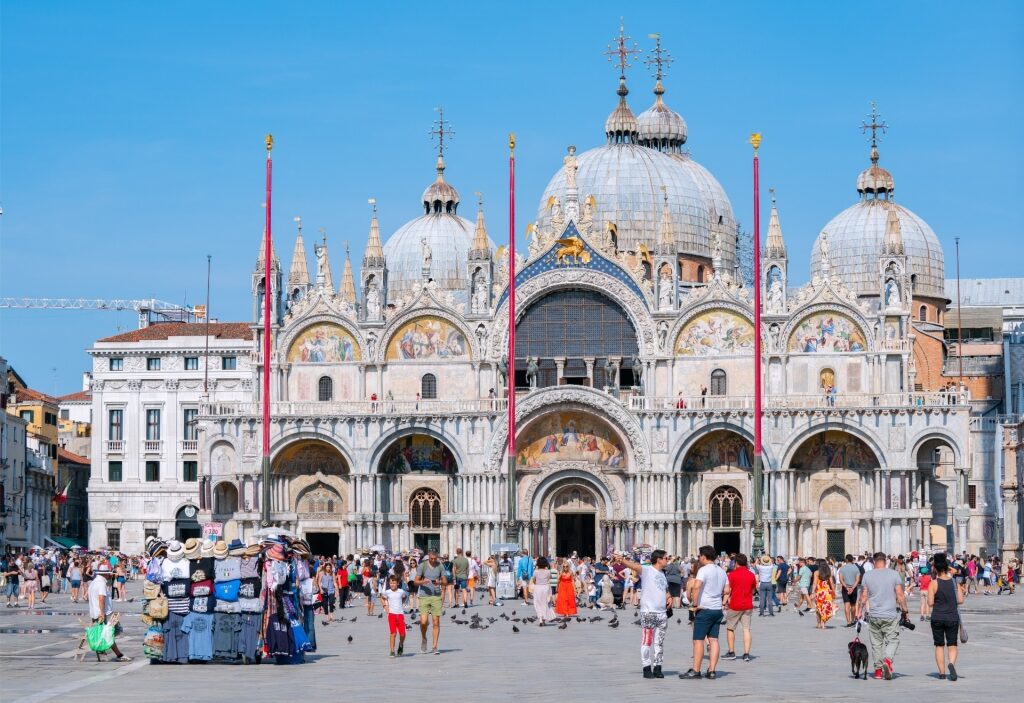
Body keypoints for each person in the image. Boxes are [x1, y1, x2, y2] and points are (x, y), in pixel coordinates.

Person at [615, 550, 671, 679]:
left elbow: (664, 588)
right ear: (658, 559)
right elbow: (634, 566)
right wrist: (622, 560)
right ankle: (646, 667)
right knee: (647, 641)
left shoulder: (662, 573)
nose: (667, 560)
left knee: (659, 642)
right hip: (649, 611)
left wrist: (669, 597)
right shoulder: (647, 570)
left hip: (662, 613)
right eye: (665, 558)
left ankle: (658, 667)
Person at [856, 551, 907, 680]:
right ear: (886, 561)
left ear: (873, 562)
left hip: (874, 614)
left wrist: (859, 611)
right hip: (890, 614)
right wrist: (905, 610)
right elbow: (900, 595)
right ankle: (888, 661)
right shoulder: (894, 574)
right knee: (893, 639)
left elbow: (863, 596)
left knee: (876, 643)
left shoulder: (867, 575)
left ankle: (878, 671)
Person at [681, 545, 730, 680]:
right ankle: (712, 670)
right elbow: (727, 590)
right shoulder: (721, 571)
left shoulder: (703, 570)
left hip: (705, 609)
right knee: (714, 640)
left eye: (699, 556)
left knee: (698, 641)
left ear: (703, 556)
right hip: (717, 609)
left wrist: (695, 604)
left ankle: (696, 670)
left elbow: (696, 587)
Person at [927, 553, 964, 680]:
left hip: (937, 617)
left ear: (935, 568)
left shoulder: (933, 583)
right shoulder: (954, 583)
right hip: (952, 617)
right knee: (952, 644)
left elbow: (930, 603)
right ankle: (951, 664)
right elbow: (960, 600)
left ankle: (942, 673)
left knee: (939, 645)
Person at [88, 564, 131, 661]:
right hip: (104, 613)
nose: (109, 575)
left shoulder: (94, 582)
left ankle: (106, 647)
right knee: (114, 630)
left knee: (107, 632)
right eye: (108, 574)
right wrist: (102, 613)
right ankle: (118, 654)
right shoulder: (101, 583)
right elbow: (101, 598)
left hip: (95, 612)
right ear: (105, 574)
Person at [723, 553, 756, 662]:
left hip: (735, 605)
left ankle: (731, 652)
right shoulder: (751, 575)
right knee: (746, 629)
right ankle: (746, 654)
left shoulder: (732, 575)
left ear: (736, 563)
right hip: (747, 605)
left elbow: (728, 591)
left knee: (730, 628)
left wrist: (724, 602)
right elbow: (753, 590)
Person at [414, 550, 447, 655]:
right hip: (424, 596)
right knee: (423, 622)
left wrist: (440, 582)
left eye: (435, 559)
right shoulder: (422, 566)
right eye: (431, 559)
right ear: (428, 558)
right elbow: (415, 581)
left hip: (436, 596)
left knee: (436, 622)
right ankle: (424, 638)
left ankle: (434, 646)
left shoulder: (440, 566)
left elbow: (446, 581)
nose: (433, 560)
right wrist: (423, 582)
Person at [380, 574, 409, 658]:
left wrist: (402, 604)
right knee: (393, 633)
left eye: (394, 583)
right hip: (391, 615)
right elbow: (381, 598)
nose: (392, 584)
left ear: (397, 583)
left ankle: (401, 644)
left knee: (403, 634)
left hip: (400, 614)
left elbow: (404, 597)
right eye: (391, 583)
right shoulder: (387, 592)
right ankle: (392, 651)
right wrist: (385, 606)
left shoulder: (401, 592)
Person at [529, 557, 555, 624]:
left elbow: (534, 580)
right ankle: (543, 618)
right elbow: (549, 578)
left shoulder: (536, 571)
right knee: (545, 603)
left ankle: (540, 618)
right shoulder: (548, 571)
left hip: (538, 588)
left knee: (538, 603)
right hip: (546, 588)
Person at [838, 554, 862, 627]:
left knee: (846, 605)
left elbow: (841, 579)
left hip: (845, 588)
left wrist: (846, 587)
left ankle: (848, 622)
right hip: (853, 588)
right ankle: (852, 620)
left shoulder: (842, 568)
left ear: (846, 560)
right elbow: (858, 580)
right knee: (853, 605)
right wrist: (852, 588)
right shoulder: (856, 568)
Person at [812, 557, 835, 629]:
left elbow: (815, 583)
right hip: (827, 592)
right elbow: (832, 583)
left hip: (819, 592)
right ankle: (823, 623)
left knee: (818, 608)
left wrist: (812, 592)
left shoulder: (816, 572)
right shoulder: (829, 572)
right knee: (825, 608)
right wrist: (833, 592)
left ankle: (818, 623)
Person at [317, 561, 337, 625]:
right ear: (325, 567)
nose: (328, 568)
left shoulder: (332, 573)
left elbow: (334, 582)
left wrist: (336, 589)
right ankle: (327, 616)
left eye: (329, 567)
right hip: (324, 590)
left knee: (331, 602)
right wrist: (320, 589)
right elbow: (319, 582)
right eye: (327, 567)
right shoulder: (321, 573)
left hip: (331, 590)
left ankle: (331, 616)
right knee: (325, 604)